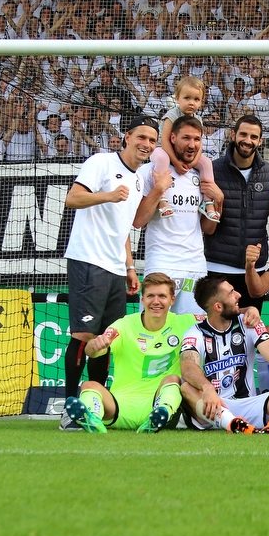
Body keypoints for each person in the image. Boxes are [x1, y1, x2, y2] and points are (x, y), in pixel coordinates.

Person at [60, 115, 158, 425]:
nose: (146, 144)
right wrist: (108, 195)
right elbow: (72, 198)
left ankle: (95, 406)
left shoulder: (140, 178)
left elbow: (123, 227)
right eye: (141, 137)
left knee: (106, 337)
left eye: (152, 140)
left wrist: (129, 266)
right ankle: (69, 407)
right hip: (89, 260)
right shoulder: (101, 162)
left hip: (115, 267)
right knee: (84, 334)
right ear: (127, 137)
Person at [62, 273, 200, 434]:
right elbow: (91, 351)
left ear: (172, 300)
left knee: (173, 380)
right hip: (120, 406)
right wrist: (96, 344)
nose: (156, 301)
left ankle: (159, 416)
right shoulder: (125, 325)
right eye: (150, 296)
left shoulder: (186, 323)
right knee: (89, 385)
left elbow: (216, 320)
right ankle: (93, 419)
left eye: (162, 296)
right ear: (142, 299)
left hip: (157, 403)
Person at [179, 275, 269, 435]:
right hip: (215, 406)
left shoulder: (249, 323)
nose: (238, 295)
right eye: (231, 293)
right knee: (185, 387)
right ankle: (231, 423)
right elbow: (187, 366)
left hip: (250, 403)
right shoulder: (195, 332)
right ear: (218, 307)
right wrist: (207, 388)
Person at [134, 116, 222, 314]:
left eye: (197, 139)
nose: (192, 145)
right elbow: (139, 221)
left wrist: (219, 201)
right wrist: (159, 188)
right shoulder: (151, 171)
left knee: (192, 330)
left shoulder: (202, 174)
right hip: (162, 264)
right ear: (172, 138)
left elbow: (208, 229)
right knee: (153, 329)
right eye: (186, 138)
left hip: (195, 266)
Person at [203, 115, 269, 311]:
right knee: (217, 329)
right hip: (217, 267)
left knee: (249, 330)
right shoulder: (212, 169)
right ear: (233, 135)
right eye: (243, 134)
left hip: (254, 270)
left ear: (260, 141)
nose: (247, 141)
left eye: (253, 136)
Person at [150, 76, 219, 221]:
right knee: (162, 158)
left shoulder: (198, 119)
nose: (191, 103)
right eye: (187, 98)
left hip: (184, 153)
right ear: (177, 98)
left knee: (206, 163)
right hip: (162, 149)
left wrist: (192, 163)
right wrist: (175, 162)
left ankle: (208, 202)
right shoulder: (172, 115)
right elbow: (164, 140)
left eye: (196, 99)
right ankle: (161, 199)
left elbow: (199, 144)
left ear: (201, 102)